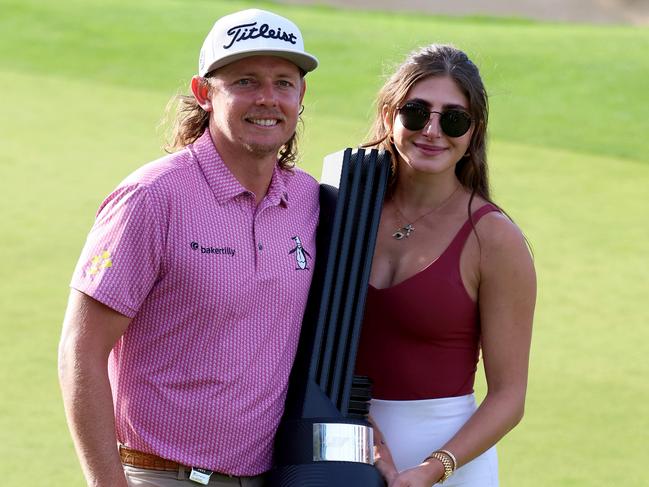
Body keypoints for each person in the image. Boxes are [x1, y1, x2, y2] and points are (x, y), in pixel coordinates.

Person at [58, 8, 319, 487]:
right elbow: (80, 351)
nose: (268, 98)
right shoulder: (152, 199)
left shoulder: (306, 199)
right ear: (204, 93)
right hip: (164, 477)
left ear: (301, 95)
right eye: (245, 81)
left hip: (272, 476)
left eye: (283, 82)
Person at [354, 44, 536, 486]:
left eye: (453, 118)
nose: (432, 130)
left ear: (474, 132)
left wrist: (434, 469)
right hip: (347, 447)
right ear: (388, 116)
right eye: (416, 112)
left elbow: (510, 396)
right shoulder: (347, 210)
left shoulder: (493, 238)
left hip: (450, 463)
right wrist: (368, 437)